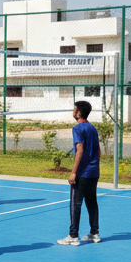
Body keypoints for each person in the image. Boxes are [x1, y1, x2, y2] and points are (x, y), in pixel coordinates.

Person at [58, 100, 101, 245]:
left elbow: (80, 150)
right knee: (92, 203)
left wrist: (73, 173)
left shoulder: (77, 128)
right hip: (94, 173)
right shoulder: (93, 128)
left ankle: (73, 236)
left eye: (74, 109)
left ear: (78, 113)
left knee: (75, 204)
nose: (73, 111)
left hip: (82, 174)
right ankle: (94, 234)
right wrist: (95, 165)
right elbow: (98, 150)